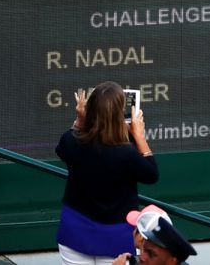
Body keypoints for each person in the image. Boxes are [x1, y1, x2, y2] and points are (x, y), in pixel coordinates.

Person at [56, 81, 159, 264]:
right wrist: (140, 137)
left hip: (75, 232)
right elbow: (151, 174)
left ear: (90, 111)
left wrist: (80, 121)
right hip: (116, 239)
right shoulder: (127, 153)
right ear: (119, 115)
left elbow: (63, 147)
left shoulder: (72, 142)